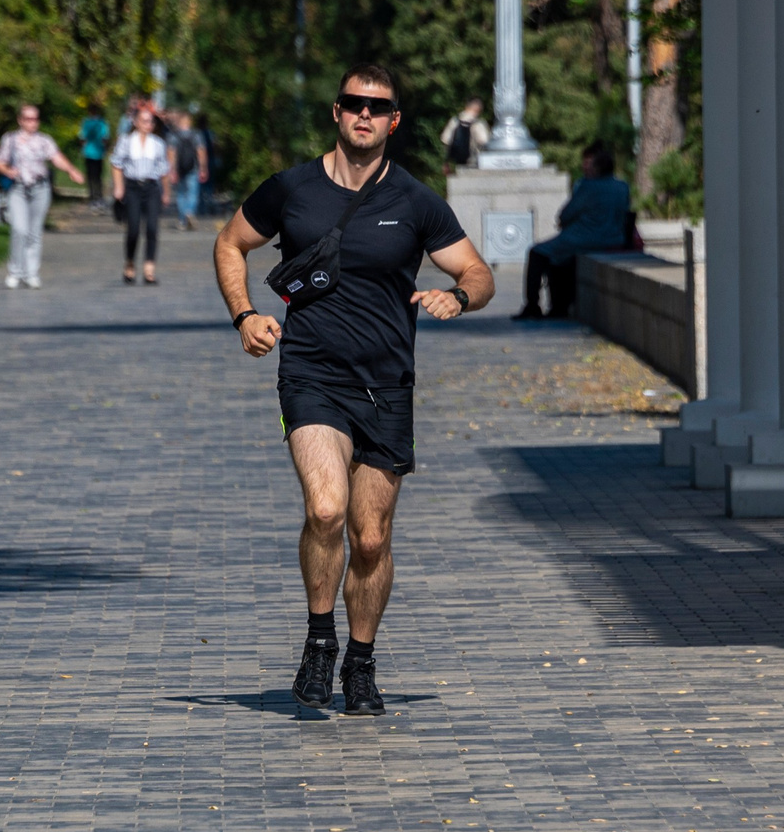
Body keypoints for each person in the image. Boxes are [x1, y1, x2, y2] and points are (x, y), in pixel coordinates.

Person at [213, 67, 495, 716]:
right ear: (336, 111)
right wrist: (244, 314)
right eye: (354, 104)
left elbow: (478, 272)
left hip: (388, 384)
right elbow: (231, 244)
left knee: (371, 538)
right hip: (312, 372)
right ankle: (319, 639)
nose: (364, 115)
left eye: (379, 106)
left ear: (395, 119)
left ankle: (360, 662)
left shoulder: (417, 201)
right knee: (327, 507)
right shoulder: (292, 188)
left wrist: (457, 296)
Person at [514, 142, 630, 320]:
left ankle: (532, 305)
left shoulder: (588, 186)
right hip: (614, 239)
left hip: (584, 238)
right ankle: (558, 307)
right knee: (557, 257)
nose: (585, 168)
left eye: (589, 164)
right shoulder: (622, 187)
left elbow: (566, 215)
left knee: (537, 252)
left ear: (596, 168)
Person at [0, 104, 87, 290]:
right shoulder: (10, 139)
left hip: (40, 188)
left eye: (35, 118)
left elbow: (56, 157)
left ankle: (31, 273)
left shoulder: (44, 140)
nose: (32, 122)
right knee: (19, 229)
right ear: (20, 120)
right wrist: (8, 171)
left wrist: (71, 170)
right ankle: (15, 272)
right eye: (28, 118)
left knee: (34, 231)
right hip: (18, 189)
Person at [112, 103, 174, 284]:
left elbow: (163, 170)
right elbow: (116, 164)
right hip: (132, 187)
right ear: (136, 122)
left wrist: (166, 192)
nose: (148, 124)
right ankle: (130, 262)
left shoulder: (158, 143)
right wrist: (118, 187)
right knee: (133, 228)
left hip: (152, 188)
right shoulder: (126, 141)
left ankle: (149, 267)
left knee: (152, 228)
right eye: (144, 121)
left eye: (151, 121)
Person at [170, 110, 211, 233]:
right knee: (193, 192)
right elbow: (201, 152)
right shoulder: (197, 135)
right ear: (189, 122)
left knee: (181, 193)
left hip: (179, 168)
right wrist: (203, 168)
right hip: (193, 167)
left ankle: (183, 219)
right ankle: (190, 212)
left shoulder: (173, 135)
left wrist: (172, 170)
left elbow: (171, 154)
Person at [439, 99, 489, 170]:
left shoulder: (454, 120)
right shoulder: (479, 123)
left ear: (466, 107)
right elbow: (484, 141)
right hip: (473, 160)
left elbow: (445, 139)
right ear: (479, 110)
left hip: (457, 160)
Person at [79, 106, 112, 207]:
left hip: (89, 152)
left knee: (90, 176)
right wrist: (106, 149)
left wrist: (83, 148)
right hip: (98, 152)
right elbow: (105, 138)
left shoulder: (86, 122)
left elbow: (82, 137)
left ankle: (92, 197)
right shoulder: (102, 123)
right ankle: (99, 197)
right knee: (98, 176)